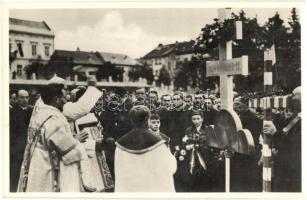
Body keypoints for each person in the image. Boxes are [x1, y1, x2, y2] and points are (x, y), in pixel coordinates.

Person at [17, 79, 91, 192]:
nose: (66, 101)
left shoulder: (39, 113)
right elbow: (69, 152)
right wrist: (76, 141)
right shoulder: (55, 118)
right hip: (46, 166)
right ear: (56, 99)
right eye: (63, 97)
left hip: (35, 163)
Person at [114, 105, 177, 192]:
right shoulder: (158, 143)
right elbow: (171, 168)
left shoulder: (120, 145)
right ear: (148, 120)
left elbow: (119, 173)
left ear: (131, 120)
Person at [175, 111, 223, 192]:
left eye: (198, 119)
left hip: (205, 155)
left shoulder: (208, 129)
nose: (196, 121)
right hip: (192, 154)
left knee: (204, 172)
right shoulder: (189, 129)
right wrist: (187, 144)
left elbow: (211, 143)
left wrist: (200, 145)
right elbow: (185, 141)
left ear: (202, 119)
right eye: (194, 119)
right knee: (193, 171)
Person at [271, 86, 301, 192]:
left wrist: (274, 133)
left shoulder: (299, 119)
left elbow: (293, 143)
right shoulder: (297, 117)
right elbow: (285, 132)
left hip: (293, 166)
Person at [10, 89, 33, 192]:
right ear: (17, 99)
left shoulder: (31, 111)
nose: (25, 100)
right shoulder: (11, 112)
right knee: (15, 175)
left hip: (28, 148)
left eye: (27, 97)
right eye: (22, 97)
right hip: (16, 150)